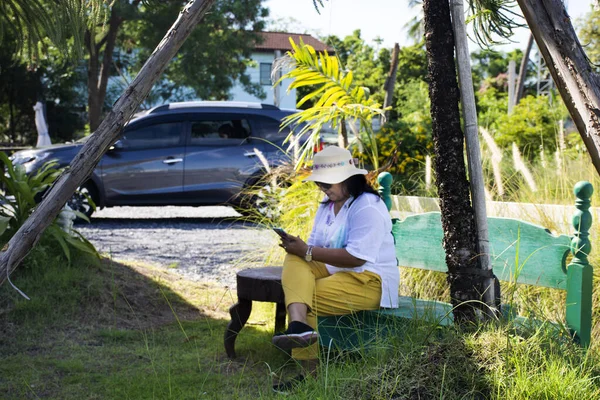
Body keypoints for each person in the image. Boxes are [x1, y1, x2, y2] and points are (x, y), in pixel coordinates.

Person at [272, 145, 399, 391]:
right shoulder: (327, 206)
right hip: (335, 272)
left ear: (348, 179)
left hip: (369, 281)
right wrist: (300, 249)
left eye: (328, 183)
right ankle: (298, 327)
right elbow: (313, 250)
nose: (323, 188)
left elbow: (356, 258)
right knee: (295, 260)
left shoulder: (368, 207)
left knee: (306, 295)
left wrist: (306, 250)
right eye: (320, 183)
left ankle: (309, 378)